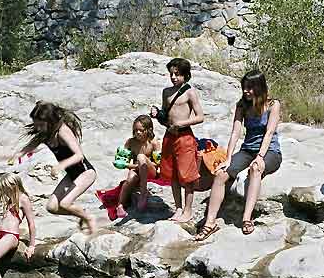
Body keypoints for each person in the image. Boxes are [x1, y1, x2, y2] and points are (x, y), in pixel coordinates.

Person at [195, 70, 281, 240]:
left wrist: (260, 156)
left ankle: (247, 218)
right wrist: (228, 158)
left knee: (255, 169)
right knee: (220, 174)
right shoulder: (241, 105)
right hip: (247, 150)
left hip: (270, 151)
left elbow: (269, 132)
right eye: (244, 88)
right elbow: (235, 132)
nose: (246, 91)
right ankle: (210, 222)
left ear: (259, 87)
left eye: (250, 88)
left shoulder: (273, 105)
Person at [12, 101, 97, 234]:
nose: (38, 128)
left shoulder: (63, 131)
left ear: (50, 121)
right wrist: (14, 156)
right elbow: (30, 146)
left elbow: (79, 155)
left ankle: (89, 218)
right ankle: (81, 214)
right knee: (51, 207)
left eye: (40, 125)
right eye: (36, 125)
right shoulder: (45, 133)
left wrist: (60, 165)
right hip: (72, 175)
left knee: (64, 204)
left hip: (85, 173)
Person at [151, 58, 204, 223]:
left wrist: (182, 122)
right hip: (169, 136)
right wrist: (157, 115)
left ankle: (188, 210)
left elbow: (200, 117)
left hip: (184, 136)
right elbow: (166, 117)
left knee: (187, 176)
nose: (174, 77)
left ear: (186, 75)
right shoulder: (166, 92)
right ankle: (178, 208)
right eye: (171, 74)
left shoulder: (190, 92)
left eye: (177, 74)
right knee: (172, 174)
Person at [115, 115, 162, 217]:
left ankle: (143, 191)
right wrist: (136, 166)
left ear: (149, 129)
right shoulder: (130, 142)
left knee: (141, 156)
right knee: (129, 180)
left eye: (141, 130)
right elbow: (122, 162)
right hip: (136, 168)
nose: (138, 133)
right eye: (136, 130)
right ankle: (120, 205)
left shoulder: (153, 143)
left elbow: (159, 163)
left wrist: (143, 162)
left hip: (150, 170)